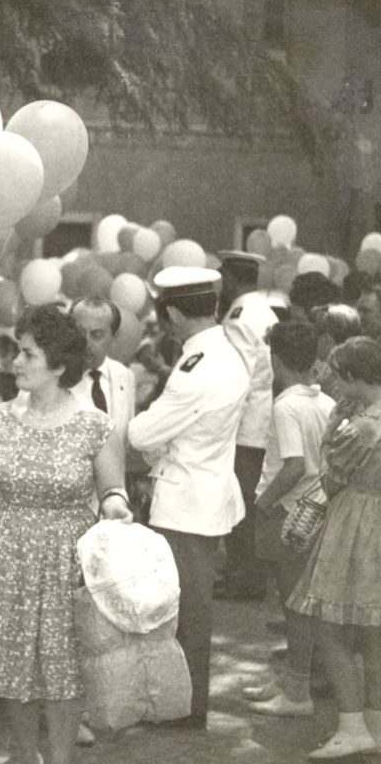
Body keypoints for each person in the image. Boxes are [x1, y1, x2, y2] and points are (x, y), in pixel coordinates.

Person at [0, 306, 130, 764]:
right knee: (14, 668)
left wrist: (117, 509)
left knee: (62, 672)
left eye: (28, 353)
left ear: (58, 364)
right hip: (6, 554)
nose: (16, 361)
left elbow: (112, 489)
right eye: (18, 350)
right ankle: (25, 756)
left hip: (66, 560)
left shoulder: (96, 426)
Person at [128, 266, 249, 731]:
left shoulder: (197, 367)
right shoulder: (223, 352)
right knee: (190, 609)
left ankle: (184, 708)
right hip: (206, 492)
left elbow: (143, 432)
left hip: (186, 502)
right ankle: (183, 702)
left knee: (185, 612)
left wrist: (150, 430)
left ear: (175, 312)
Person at [286, 337, 381, 759]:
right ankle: (375, 724)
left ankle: (351, 725)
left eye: (341, 377)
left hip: (356, 527)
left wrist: (330, 430)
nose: (336, 386)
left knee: (329, 625)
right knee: (373, 632)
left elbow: (331, 476)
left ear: (359, 376)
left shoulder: (363, 428)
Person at [243, 321, 335, 717]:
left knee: (293, 606)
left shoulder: (285, 405)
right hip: (315, 513)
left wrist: (264, 501)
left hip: (287, 514)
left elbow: (294, 465)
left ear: (276, 359)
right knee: (298, 604)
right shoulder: (326, 402)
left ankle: (297, 692)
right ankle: (292, 678)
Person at [217, 250, 277, 602]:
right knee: (249, 504)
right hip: (261, 422)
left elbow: (235, 378)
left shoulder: (239, 317)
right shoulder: (264, 310)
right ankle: (246, 574)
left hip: (244, 427)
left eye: (223, 276)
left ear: (232, 279)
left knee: (241, 506)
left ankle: (244, 577)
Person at [68, 296, 137, 452]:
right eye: (79, 332)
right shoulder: (54, 377)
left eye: (96, 335)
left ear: (114, 337)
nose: (85, 342)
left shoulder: (125, 376)